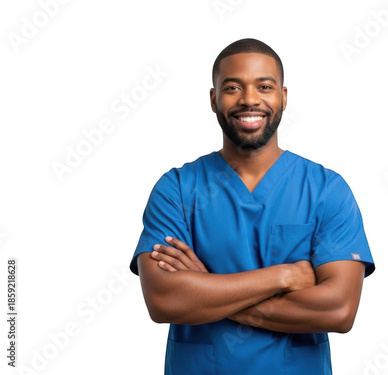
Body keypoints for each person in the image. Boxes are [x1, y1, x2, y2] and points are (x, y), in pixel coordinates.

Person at [130, 38, 375, 375]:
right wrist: (284, 275)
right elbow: (163, 301)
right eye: (232, 87)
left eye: (264, 86)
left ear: (283, 98)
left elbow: (339, 310)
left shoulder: (325, 190)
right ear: (214, 100)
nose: (249, 99)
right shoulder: (177, 189)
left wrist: (207, 288)